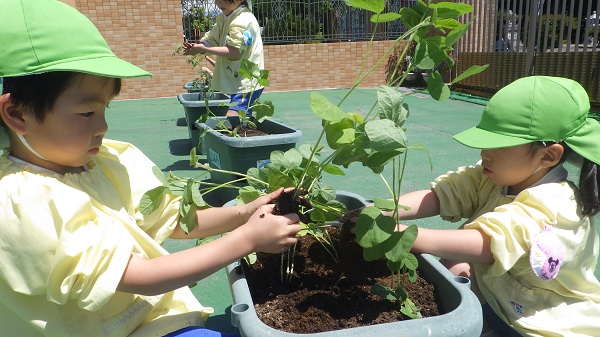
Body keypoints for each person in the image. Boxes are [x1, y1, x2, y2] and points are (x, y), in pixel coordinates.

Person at [0, 1, 300, 336]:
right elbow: (139, 277)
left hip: (149, 321)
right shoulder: (20, 203)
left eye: (104, 110)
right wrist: (245, 240)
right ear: (17, 115)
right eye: (87, 114)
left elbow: (179, 221)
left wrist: (245, 212)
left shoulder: (105, 161)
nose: (102, 127)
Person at [366, 76, 600, 336]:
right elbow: (442, 195)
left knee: (454, 259)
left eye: (497, 144)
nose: (483, 152)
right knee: (452, 263)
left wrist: (404, 235)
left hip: (542, 321)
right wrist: (383, 210)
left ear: (548, 155)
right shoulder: (495, 175)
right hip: (501, 292)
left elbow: (488, 243)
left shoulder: (557, 204)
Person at [182, 0, 264, 117]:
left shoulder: (243, 21)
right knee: (242, 118)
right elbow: (212, 39)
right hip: (236, 80)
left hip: (247, 81)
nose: (220, 3)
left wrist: (207, 49)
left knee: (233, 116)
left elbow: (235, 52)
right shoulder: (225, 18)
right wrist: (201, 46)